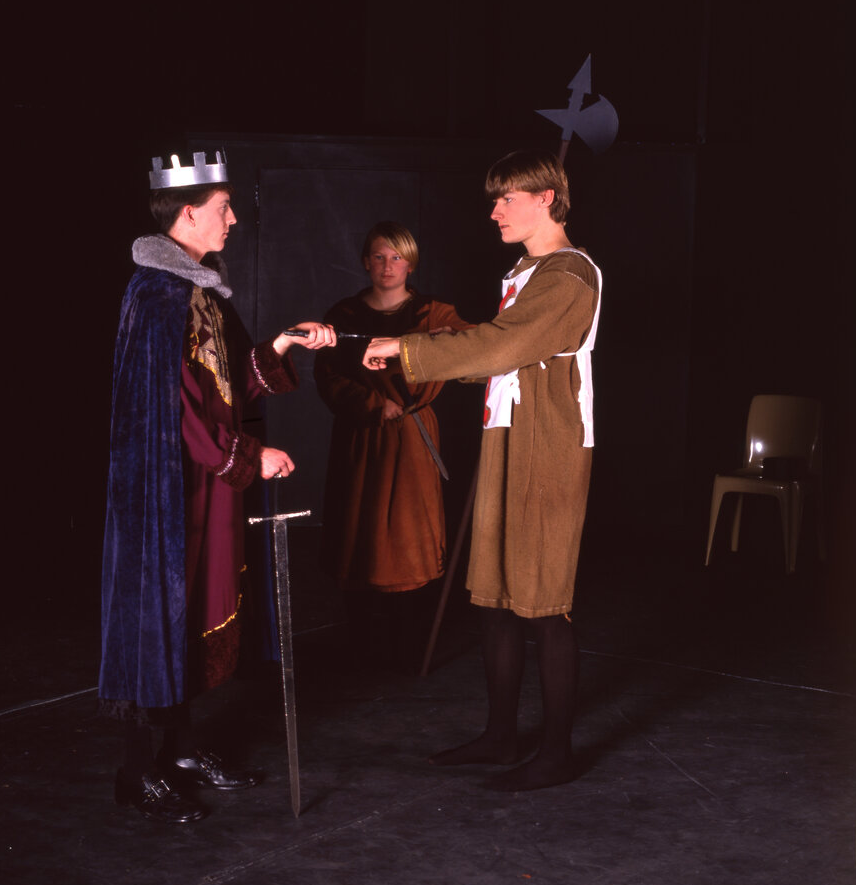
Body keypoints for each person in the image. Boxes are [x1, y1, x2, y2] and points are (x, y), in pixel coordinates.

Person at [99, 150, 335, 822]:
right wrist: (252, 456)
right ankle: (136, 771)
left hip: (204, 487)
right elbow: (175, 412)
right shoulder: (158, 296)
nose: (233, 220)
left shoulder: (198, 289)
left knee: (194, 613)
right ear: (188, 212)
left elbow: (225, 384)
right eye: (224, 208)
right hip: (167, 493)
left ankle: (179, 753)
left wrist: (282, 344)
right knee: (158, 615)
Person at [363, 150, 602, 791]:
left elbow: (502, 345)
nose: (494, 211)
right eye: (494, 199)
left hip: (549, 446)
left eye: (507, 198)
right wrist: (409, 350)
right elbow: (496, 355)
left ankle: (557, 753)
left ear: (546, 198)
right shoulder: (528, 270)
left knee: (544, 603)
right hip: (508, 436)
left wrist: (410, 348)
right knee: (495, 597)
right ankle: (501, 737)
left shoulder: (569, 275)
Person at [313, 222, 471, 665]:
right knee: (358, 531)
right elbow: (328, 376)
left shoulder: (434, 313)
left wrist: (428, 344)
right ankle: (363, 646)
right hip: (362, 437)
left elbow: (471, 344)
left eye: (397, 257)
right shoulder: (344, 315)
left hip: (413, 437)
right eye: (379, 257)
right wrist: (370, 403)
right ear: (366, 262)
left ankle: (408, 645)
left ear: (411, 263)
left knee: (409, 535)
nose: (388, 266)